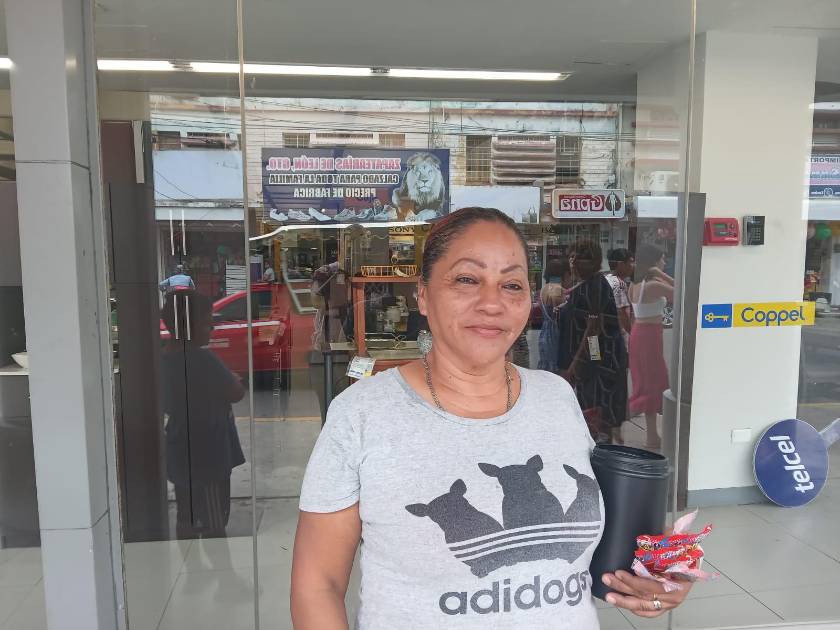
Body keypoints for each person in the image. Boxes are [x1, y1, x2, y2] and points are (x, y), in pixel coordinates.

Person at [291, 208, 691, 629]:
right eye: (467, 279)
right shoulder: (362, 413)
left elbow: (590, 550)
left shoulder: (556, 396)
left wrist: (656, 573)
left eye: (512, 285)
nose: (492, 303)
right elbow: (317, 585)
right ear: (422, 295)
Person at [160, 290, 246, 557]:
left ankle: (191, 569)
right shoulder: (201, 358)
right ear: (190, 325)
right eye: (208, 323)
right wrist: (234, 380)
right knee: (213, 516)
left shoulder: (164, 358)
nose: (212, 328)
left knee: (185, 512)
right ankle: (223, 571)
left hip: (180, 443)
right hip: (207, 450)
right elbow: (235, 392)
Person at [556, 240, 628, 445]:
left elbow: (593, 331)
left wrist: (577, 366)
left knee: (596, 420)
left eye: (578, 258)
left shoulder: (595, 287)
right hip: (593, 367)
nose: (573, 262)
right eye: (572, 257)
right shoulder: (586, 286)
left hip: (598, 369)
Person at [627, 243, 674, 450]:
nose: (664, 262)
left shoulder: (635, 285)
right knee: (654, 380)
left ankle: (652, 434)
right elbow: (682, 292)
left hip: (639, 333)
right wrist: (661, 274)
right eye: (662, 258)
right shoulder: (653, 285)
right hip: (649, 335)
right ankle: (651, 434)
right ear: (654, 262)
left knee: (646, 381)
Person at [537, 257, 572, 372]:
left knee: (546, 364)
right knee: (555, 366)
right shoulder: (558, 290)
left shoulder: (544, 288)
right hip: (556, 333)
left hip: (545, 331)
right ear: (564, 274)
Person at [605, 248, 634, 341]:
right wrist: (633, 334)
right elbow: (622, 313)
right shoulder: (618, 284)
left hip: (599, 335)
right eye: (631, 262)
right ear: (621, 264)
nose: (633, 265)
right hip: (614, 337)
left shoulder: (606, 279)